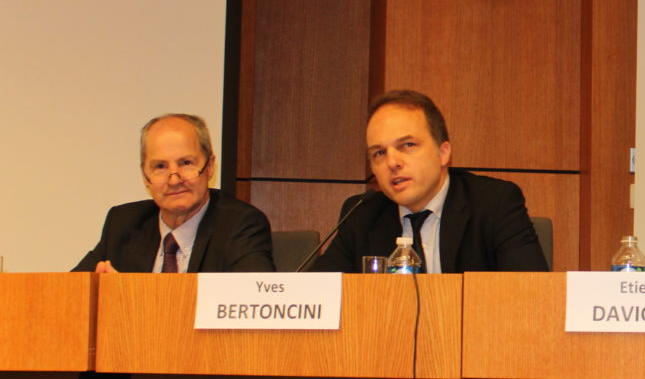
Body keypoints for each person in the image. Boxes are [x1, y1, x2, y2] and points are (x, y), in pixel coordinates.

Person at [312, 90, 548, 273]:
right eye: (379, 153)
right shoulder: (362, 214)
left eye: (407, 145)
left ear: (443, 153)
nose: (392, 162)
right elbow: (317, 295)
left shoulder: (493, 203)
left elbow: (529, 294)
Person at [74, 114, 275, 273]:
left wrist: (126, 296)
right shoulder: (123, 224)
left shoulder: (240, 225)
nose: (174, 180)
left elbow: (248, 301)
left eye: (186, 163)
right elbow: (70, 291)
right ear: (145, 176)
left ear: (210, 167)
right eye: (160, 166)